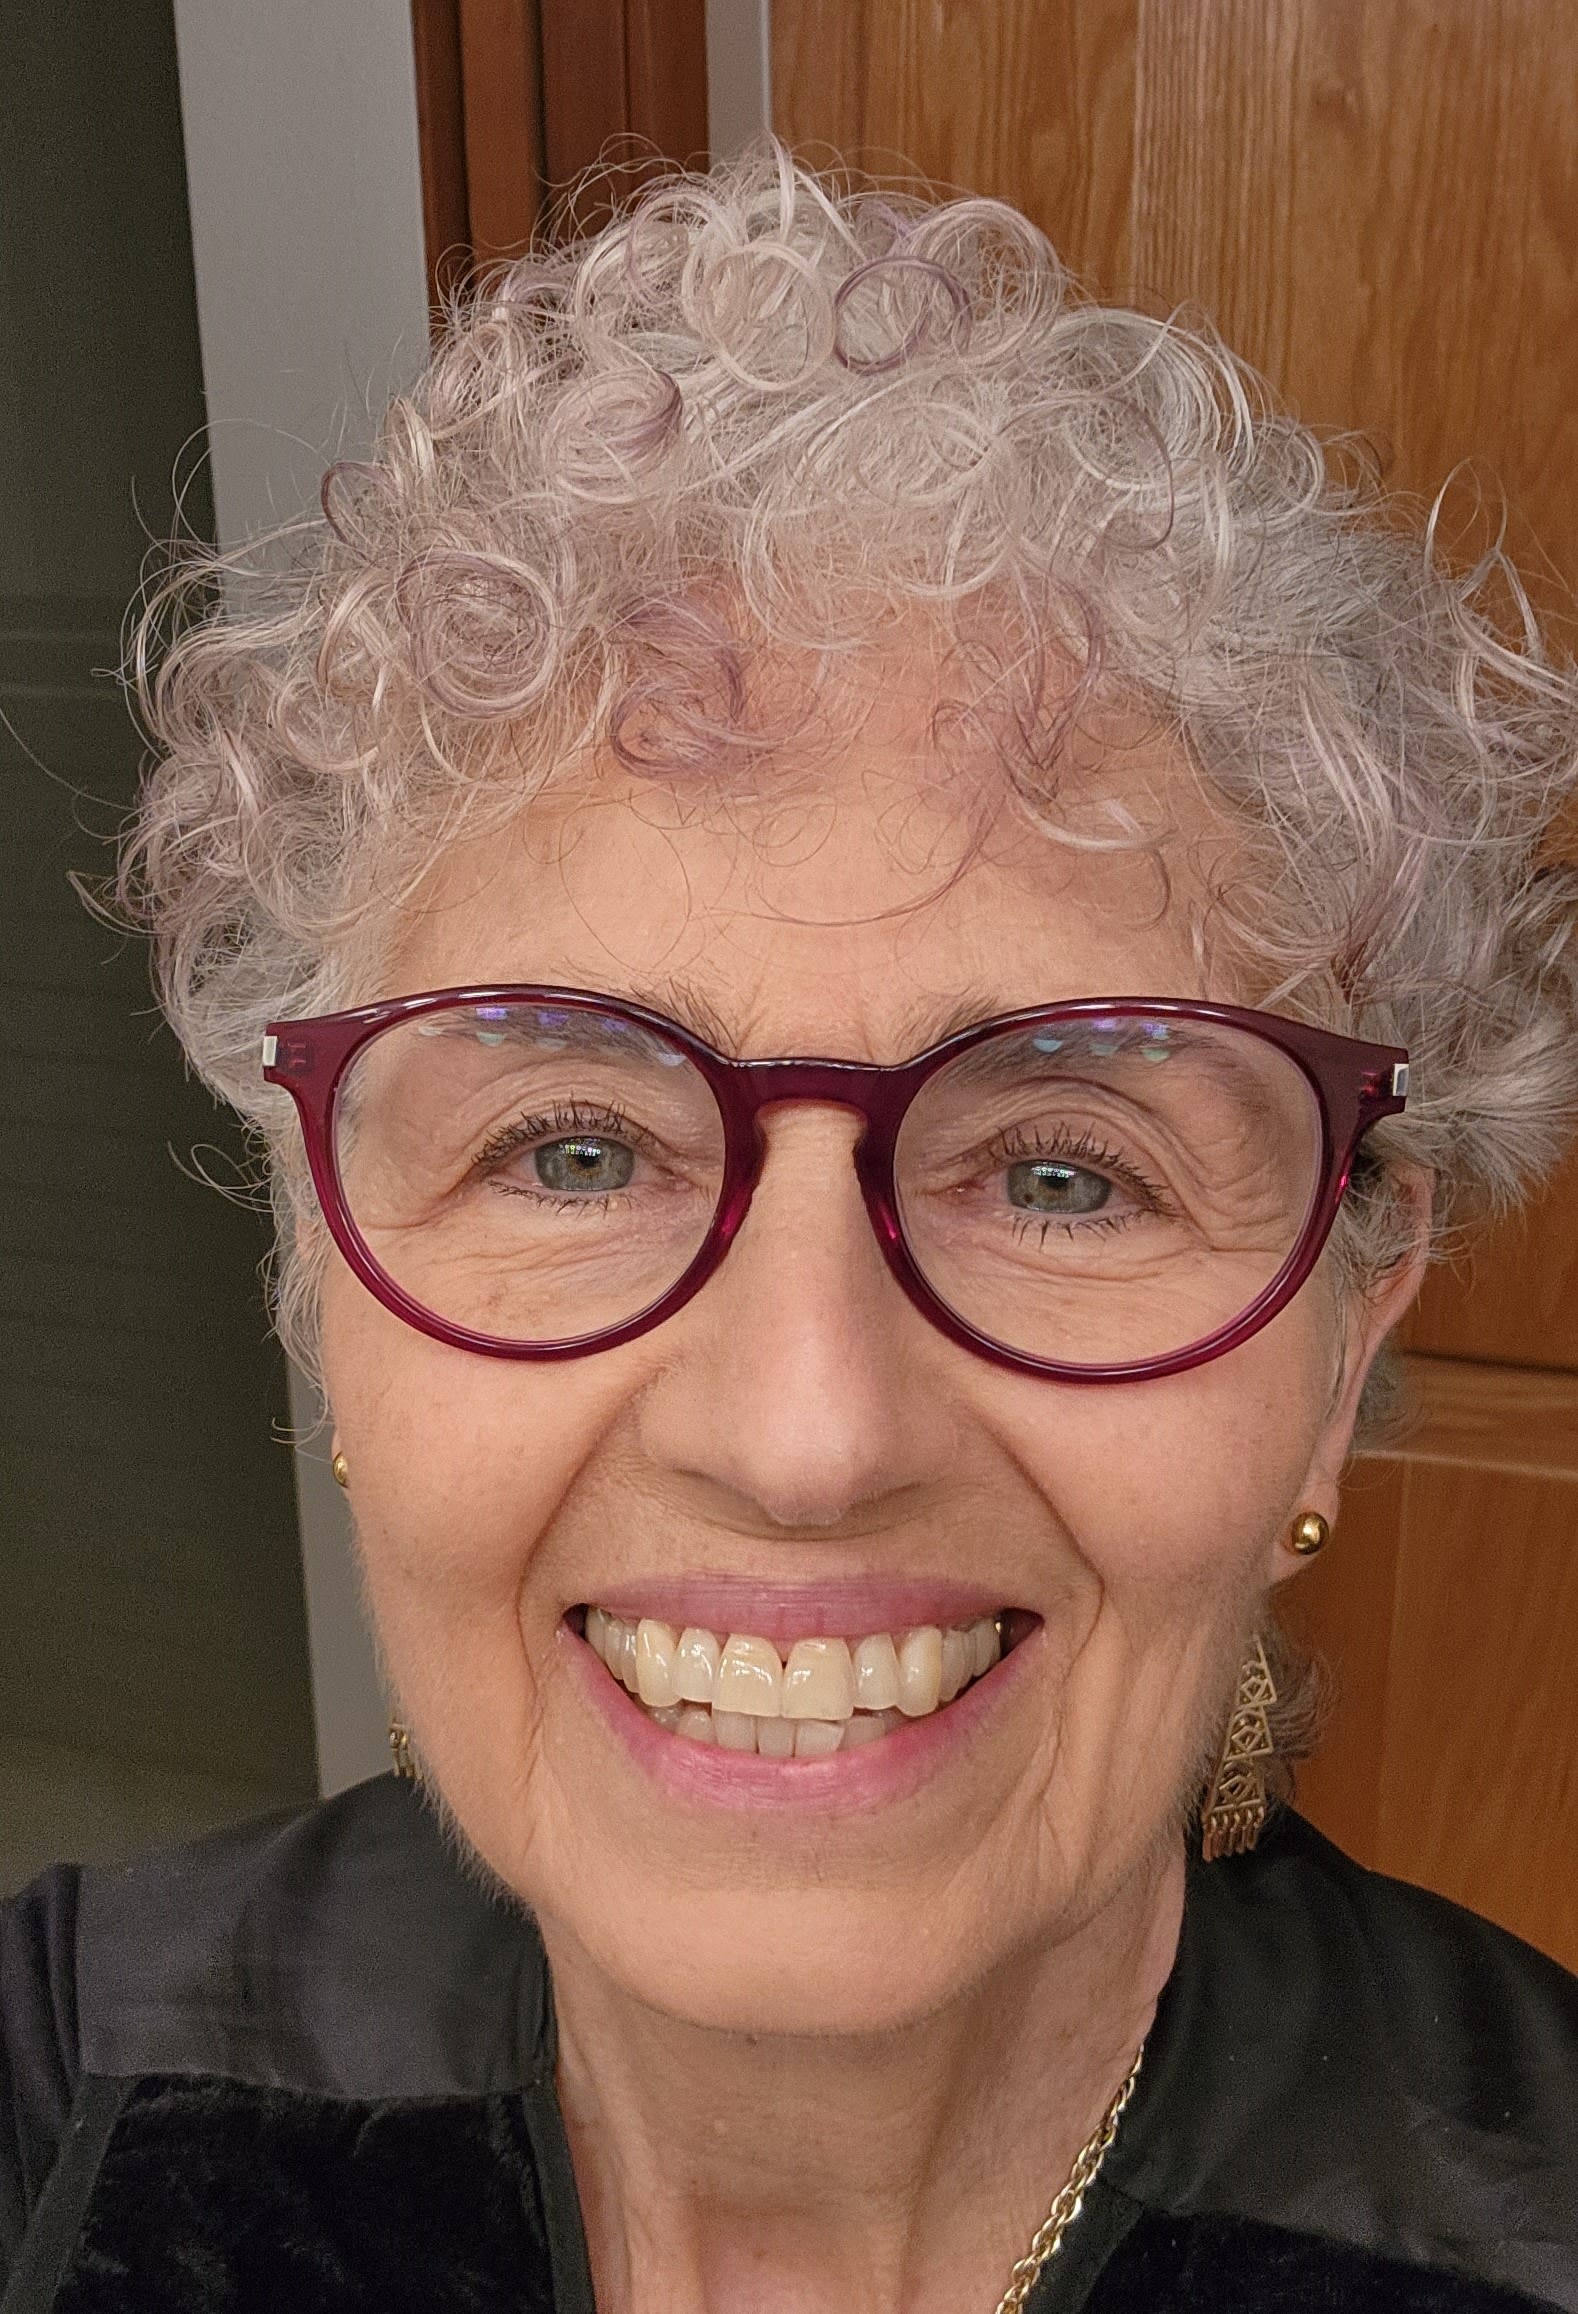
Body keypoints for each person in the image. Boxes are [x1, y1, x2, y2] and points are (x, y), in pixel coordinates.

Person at [3, 146, 1576, 2314]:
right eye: (573, 1151)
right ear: (325, 1283)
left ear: (1339, 1340)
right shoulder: (65, 2089)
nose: (804, 1431)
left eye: (1063, 1171)